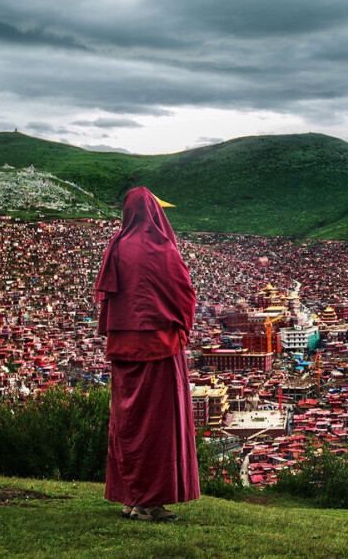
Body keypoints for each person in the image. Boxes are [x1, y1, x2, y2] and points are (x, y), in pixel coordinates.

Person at [95, 186, 200, 522]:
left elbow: (109, 297)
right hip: (159, 346)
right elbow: (184, 293)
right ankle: (150, 503)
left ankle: (130, 497)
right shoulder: (162, 248)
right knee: (157, 426)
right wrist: (182, 327)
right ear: (156, 213)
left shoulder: (117, 247)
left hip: (123, 346)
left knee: (128, 423)